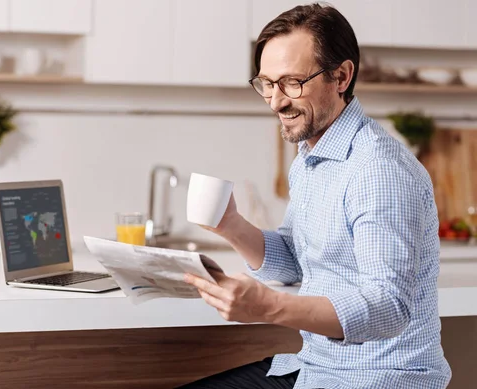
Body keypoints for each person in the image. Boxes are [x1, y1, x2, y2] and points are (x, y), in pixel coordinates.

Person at [178, 3, 452, 389]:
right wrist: (232, 225)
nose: (275, 102)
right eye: (267, 84)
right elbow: (296, 260)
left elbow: (390, 308)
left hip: (379, 379)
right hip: (317, 369)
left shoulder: (377, 169)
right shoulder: (311, 158)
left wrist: (267, 306)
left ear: (341, 76)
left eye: (292, 82)